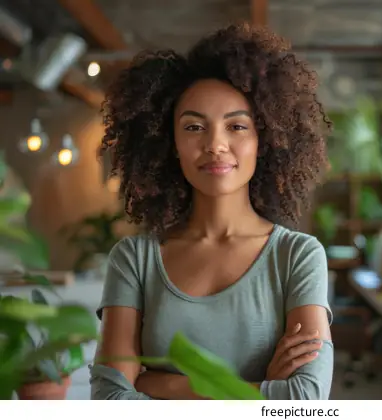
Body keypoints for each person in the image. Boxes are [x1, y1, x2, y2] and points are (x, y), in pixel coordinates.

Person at [89, 23, 334, 400]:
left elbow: (305, 399)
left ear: (263, 139)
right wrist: (255, 391)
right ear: (170, 143)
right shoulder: (134, 260)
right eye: (193, 127)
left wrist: (156, 383)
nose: (215, 144)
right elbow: (110, 400)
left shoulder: (297, 257)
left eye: (236, 125)